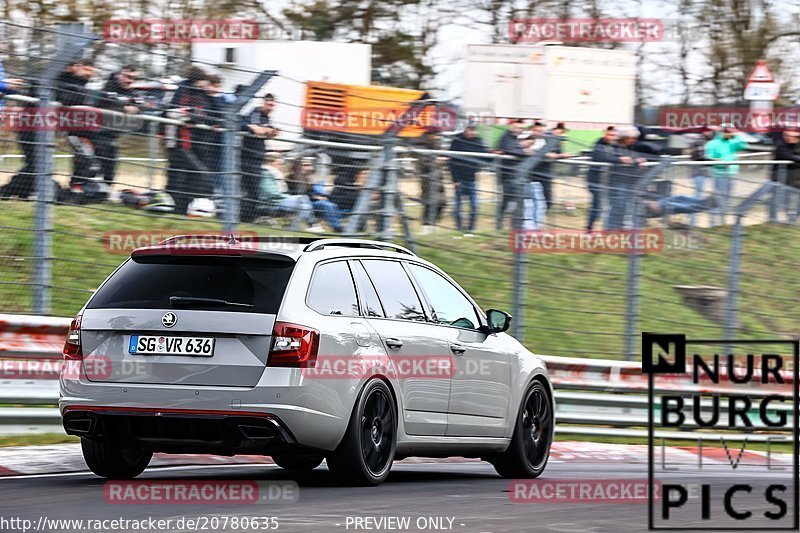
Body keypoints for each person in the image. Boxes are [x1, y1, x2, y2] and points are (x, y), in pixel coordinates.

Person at [164, 65, 213, 215]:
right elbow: (176, 112)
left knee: (183, 175)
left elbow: (207, 114)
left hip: (189, 141)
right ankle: (175, 207)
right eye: (204, 82)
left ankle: (180, 209)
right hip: (177, 141)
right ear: (197, 81)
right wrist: (194, 116)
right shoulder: (182, 91)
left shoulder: (199, 93)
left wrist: (196, 116)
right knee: (183, 174)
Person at [55, 60, 98, 191]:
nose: (89, 74)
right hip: (69, 127)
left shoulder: (85, 88)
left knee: (88, 158)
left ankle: (78, 185)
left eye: (92, 71)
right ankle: (77, 186)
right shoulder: (65, 82)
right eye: (86, 70)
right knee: (85, 157)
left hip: (83, 129)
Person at [94, 65, 141, 186]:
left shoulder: (131, 92)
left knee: (110, 162)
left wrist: (136, 108)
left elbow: (141, 105)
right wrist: (123, 108)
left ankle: (106, 189)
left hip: (112, 134)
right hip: (95, 133)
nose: (130, 81)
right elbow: (104, 103)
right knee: (92, 163)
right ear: (119, 75)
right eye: (127, 77)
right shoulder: (108, 87)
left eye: (134, 78)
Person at [240, 94, 278, 222]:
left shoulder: (266, 118)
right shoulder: (255, 113)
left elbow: (269, 132)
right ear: (263, 103)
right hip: (248, 157)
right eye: (269, 104)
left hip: (257, 158)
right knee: (251, 190)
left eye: (273, 105)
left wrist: (269, 130)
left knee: (254, 190)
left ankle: (246, 219)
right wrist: (265, 130)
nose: (271, 107)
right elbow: (256, 129)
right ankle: (244, 219)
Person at [605, 126, 648, 230]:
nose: (634, 140)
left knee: (625, 206)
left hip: (629, 181)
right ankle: (612, 229)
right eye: (631, 138)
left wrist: (639, 160)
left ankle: (619, 229)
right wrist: (622, 159)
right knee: (618, 206)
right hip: (617, 182)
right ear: (624, 137)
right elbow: (612, 157)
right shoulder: (614, 147)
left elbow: (632, 158)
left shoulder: (630, 147)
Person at [448, 123, 488, 232]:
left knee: (475, 206)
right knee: (458, 207)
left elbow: (485, 155)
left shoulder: (478, 141)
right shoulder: (457, 141)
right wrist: (455, 180)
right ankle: (459, 228)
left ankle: (471, 229)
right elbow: (451, 162)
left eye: (474, 130)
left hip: (472, 179)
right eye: (470, 130)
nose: (472, 132)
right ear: (465, 130)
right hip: (459, 179)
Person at [704, 125, 747, 226]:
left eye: (730, 131)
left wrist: (737, 134)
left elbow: (743, 145)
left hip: (731, 173)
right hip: (718, 174)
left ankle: (723, 222)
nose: (729, 133)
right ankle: (714, 223)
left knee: (727, 199)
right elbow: (708, 157)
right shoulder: (712, 143)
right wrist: (719, 162)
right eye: (727, 131)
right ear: (721, 131)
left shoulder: (732, 143)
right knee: (719, 198)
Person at [258, 153, 316, 226]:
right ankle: (313, 224)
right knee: (304, 198)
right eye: (279, 162)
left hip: (278, 200)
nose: (281, 165)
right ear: (272, 162)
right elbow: (270, 192)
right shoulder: (266, 173)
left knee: (305, 207)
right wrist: (286, 196)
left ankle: (294, 228)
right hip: (271, 203)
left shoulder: (274, 173)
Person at [495, 119, 529, 229]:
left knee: (510, 201)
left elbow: (515, 150)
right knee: (512, 201)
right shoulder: (506, 138)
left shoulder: (514, 139)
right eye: (519, 128)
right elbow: (511, 150)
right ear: (512, 127)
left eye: (522, 129)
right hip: (507, 175)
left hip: (513, 175)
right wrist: (524, 153)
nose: (521, 130)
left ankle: (506, 225)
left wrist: (521, 151)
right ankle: (510, 225)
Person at [586, 126, 620, 230]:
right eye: (609, 135)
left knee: (612, 205)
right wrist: (619, 160)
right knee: (597, 206)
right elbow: (603, 157)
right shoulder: (598, 144)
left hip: (609, 180)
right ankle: (589, 229)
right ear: (604, 134)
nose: (611, 137)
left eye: (614, 135)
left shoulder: (616, 145)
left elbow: (620, 154)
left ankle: (609, 229)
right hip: (596, 180)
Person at [418, 131, 446, 233]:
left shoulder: (436, 147)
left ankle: (432, 224)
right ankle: (426, 226)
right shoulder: (422, 148)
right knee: (429, 203)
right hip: (428, 180)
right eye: (435, 135)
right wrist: (437, 162)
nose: (437, 137)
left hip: (438, 179)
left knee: (442, 203)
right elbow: (423, 165)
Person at [771, 127, 800, 220]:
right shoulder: (781, 144)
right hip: (780, 176)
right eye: (789, 136)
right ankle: (773, 218)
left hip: (793, 178)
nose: (794, 138)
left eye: (796, 137)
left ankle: (793, 217)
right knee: (778, 198)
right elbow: (785, 155)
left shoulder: (795, 145)